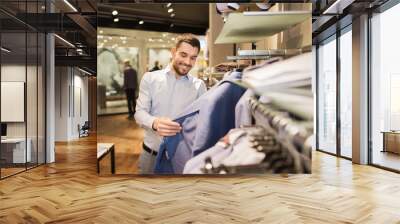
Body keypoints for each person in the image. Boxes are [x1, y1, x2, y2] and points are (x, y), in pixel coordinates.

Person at [135, 33, 207, 174]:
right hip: (151, 155)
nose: (188, 62)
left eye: (193, 58)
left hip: (182, 158)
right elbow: (139, 113)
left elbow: (204, 121)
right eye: (183, 55)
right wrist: (155, 122)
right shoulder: (150, 78)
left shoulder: (199, 86)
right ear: (173, 52)